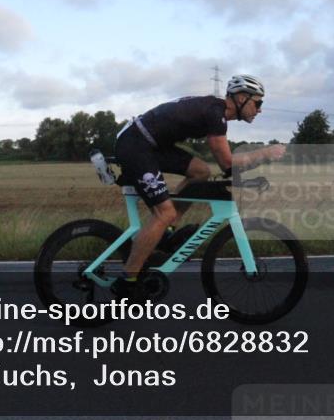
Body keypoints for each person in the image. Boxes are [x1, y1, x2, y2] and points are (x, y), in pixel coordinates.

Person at [111, 74, 286, 298]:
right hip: (136, 145)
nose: (259, 109)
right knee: (164, 213)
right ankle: (128, 280)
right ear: (242, 97)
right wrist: (265, 153)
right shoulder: (215, 113)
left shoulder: (216, 112)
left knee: (200, 172)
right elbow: (227, 163)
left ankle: (166, 231)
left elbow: (223, 167)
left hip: (151, 144)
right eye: (258, 103)